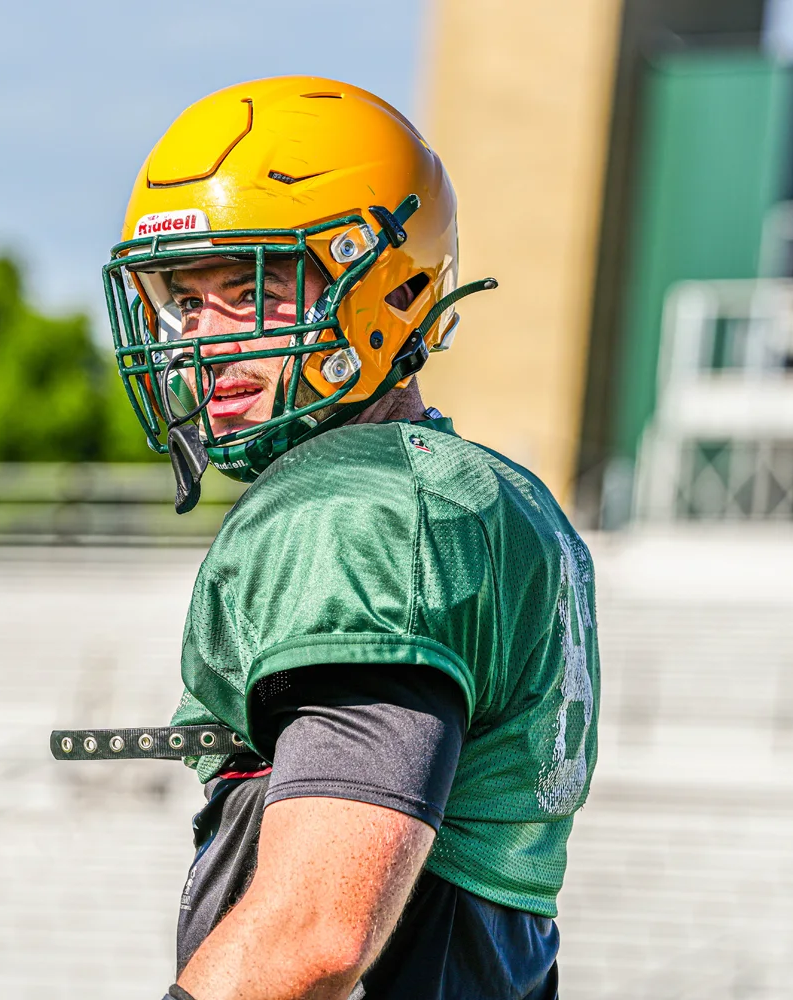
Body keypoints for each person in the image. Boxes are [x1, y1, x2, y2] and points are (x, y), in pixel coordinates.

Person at [99, 76, 600, 1000]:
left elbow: (316, 933)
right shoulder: (480, 488)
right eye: (186, 300)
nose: (203, 340)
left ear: (391, 288)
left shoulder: (361, 506)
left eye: (254, 290)